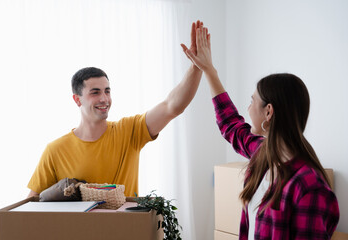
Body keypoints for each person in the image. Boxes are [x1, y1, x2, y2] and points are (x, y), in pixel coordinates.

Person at [181, 23, 340, 239]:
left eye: (252, 101)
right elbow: (230, 124)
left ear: (268, 112)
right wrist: (209, 70)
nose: (247, 108)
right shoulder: (263, 154)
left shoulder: (309, 186)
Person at [27, 21, 205, 198]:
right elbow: (31, 203)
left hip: (124, 227)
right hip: (79, 228)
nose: (104, 98)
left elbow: (172, 107)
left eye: (107, 91)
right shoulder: (55, 150)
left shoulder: (129, 131)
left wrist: (196, 66)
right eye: (95, 92)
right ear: (77, 99)